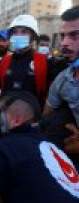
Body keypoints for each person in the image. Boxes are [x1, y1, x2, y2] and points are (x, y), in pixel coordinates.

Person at [0, 15, 58, 105]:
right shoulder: (2, 63)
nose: (18, 35)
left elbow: (53, 99)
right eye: (14, 32)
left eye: (24, 32)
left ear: (33, 36)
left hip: (36, 117)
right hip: (5, 116)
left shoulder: (46, 63)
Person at [44, 5, 79, 157]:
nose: (64, 43)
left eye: (74, 35)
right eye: (63, 35)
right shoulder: (63, 79)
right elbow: (46, 116)